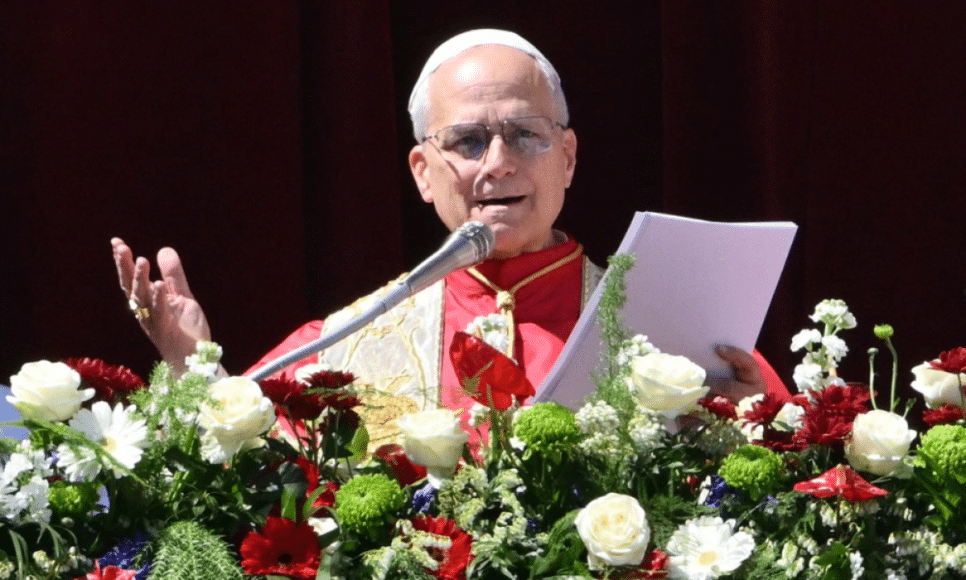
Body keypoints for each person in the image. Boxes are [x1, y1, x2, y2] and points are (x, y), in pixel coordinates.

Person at [113, 30, 787, 442]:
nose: (498, 163)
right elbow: (243, 454)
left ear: (570, 157)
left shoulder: (670, 325)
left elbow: (801, 462)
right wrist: (192, 366)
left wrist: (757, 425)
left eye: (525, 134)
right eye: (467, 141)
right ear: (422, 173)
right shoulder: (353, 340)